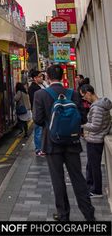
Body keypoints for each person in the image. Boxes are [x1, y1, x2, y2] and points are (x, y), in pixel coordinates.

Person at [33, 64, 95, 222]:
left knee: (58, 180)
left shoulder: (41, 95)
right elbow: (83, 118)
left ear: (47, 76)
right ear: (62, 77)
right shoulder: (73, 94)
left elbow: (38, 120)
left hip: (52, 144)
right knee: (78, 178)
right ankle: (88, 214)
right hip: (73, 142)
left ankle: (63, 215)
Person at [79, 84, 112, 198]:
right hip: (97, 138)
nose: (85, 99)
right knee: (91, 165)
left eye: (84, 96)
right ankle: (90, 186)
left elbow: (95, 126)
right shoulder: (102, 105)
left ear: (88, 93)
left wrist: (83, 125)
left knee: (94, 166)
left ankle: (96, 190)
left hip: (95, 139)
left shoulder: (97, 107)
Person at [28, 69, 45, 156]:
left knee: (41, 131)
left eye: (42, 76)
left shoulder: (40, 85)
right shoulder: (33, 88)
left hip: (41, 111)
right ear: (35, 78)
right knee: (38, 130)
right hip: (38, 111)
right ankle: (38, 149)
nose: (42, 78)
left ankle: (41, 148)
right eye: (40, 76)